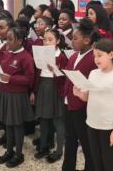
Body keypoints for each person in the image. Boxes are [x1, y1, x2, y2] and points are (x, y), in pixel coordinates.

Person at [73, 39, 113, 171]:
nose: (96, 59)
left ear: (111, 55)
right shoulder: (93, 73)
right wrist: (79, 94)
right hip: (92, 124)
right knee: (96, 161)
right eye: (94, 56)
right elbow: (88, 97)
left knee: (108, 163)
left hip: (109, 127)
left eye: (100, 55)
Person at [0, 27, 35, 168]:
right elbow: (2, 71)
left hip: (17, 96)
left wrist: (11, 78)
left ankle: (18, 154)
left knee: (17, 125)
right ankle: (9, 151)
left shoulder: (26, 57)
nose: (7, 42)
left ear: (20, 41)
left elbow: (29, 79)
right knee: (8, 124)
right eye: (7, 39)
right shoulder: (7, 54)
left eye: (10, 39)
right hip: (5, 93)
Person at [62, 18, 100, 171]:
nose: (72, 40)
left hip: (83, 106)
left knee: (86, 142)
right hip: (69, 103)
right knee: (70, 139)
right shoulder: (73, 56)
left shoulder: (93, 59)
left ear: (87, 40)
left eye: (75, 38)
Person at [33, 29, 68, 162]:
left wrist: (56, 71)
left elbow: (65, 78)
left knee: (58, 121)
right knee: (43, 119)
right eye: (45, 39)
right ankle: (44, 146)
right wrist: (34, 90)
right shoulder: (40, 54)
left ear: (58, 41)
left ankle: (58, 151)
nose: (46, 42)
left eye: (50, 40)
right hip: (43, 86)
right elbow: (37, 74)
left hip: (55, 88)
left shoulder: (62, 57)